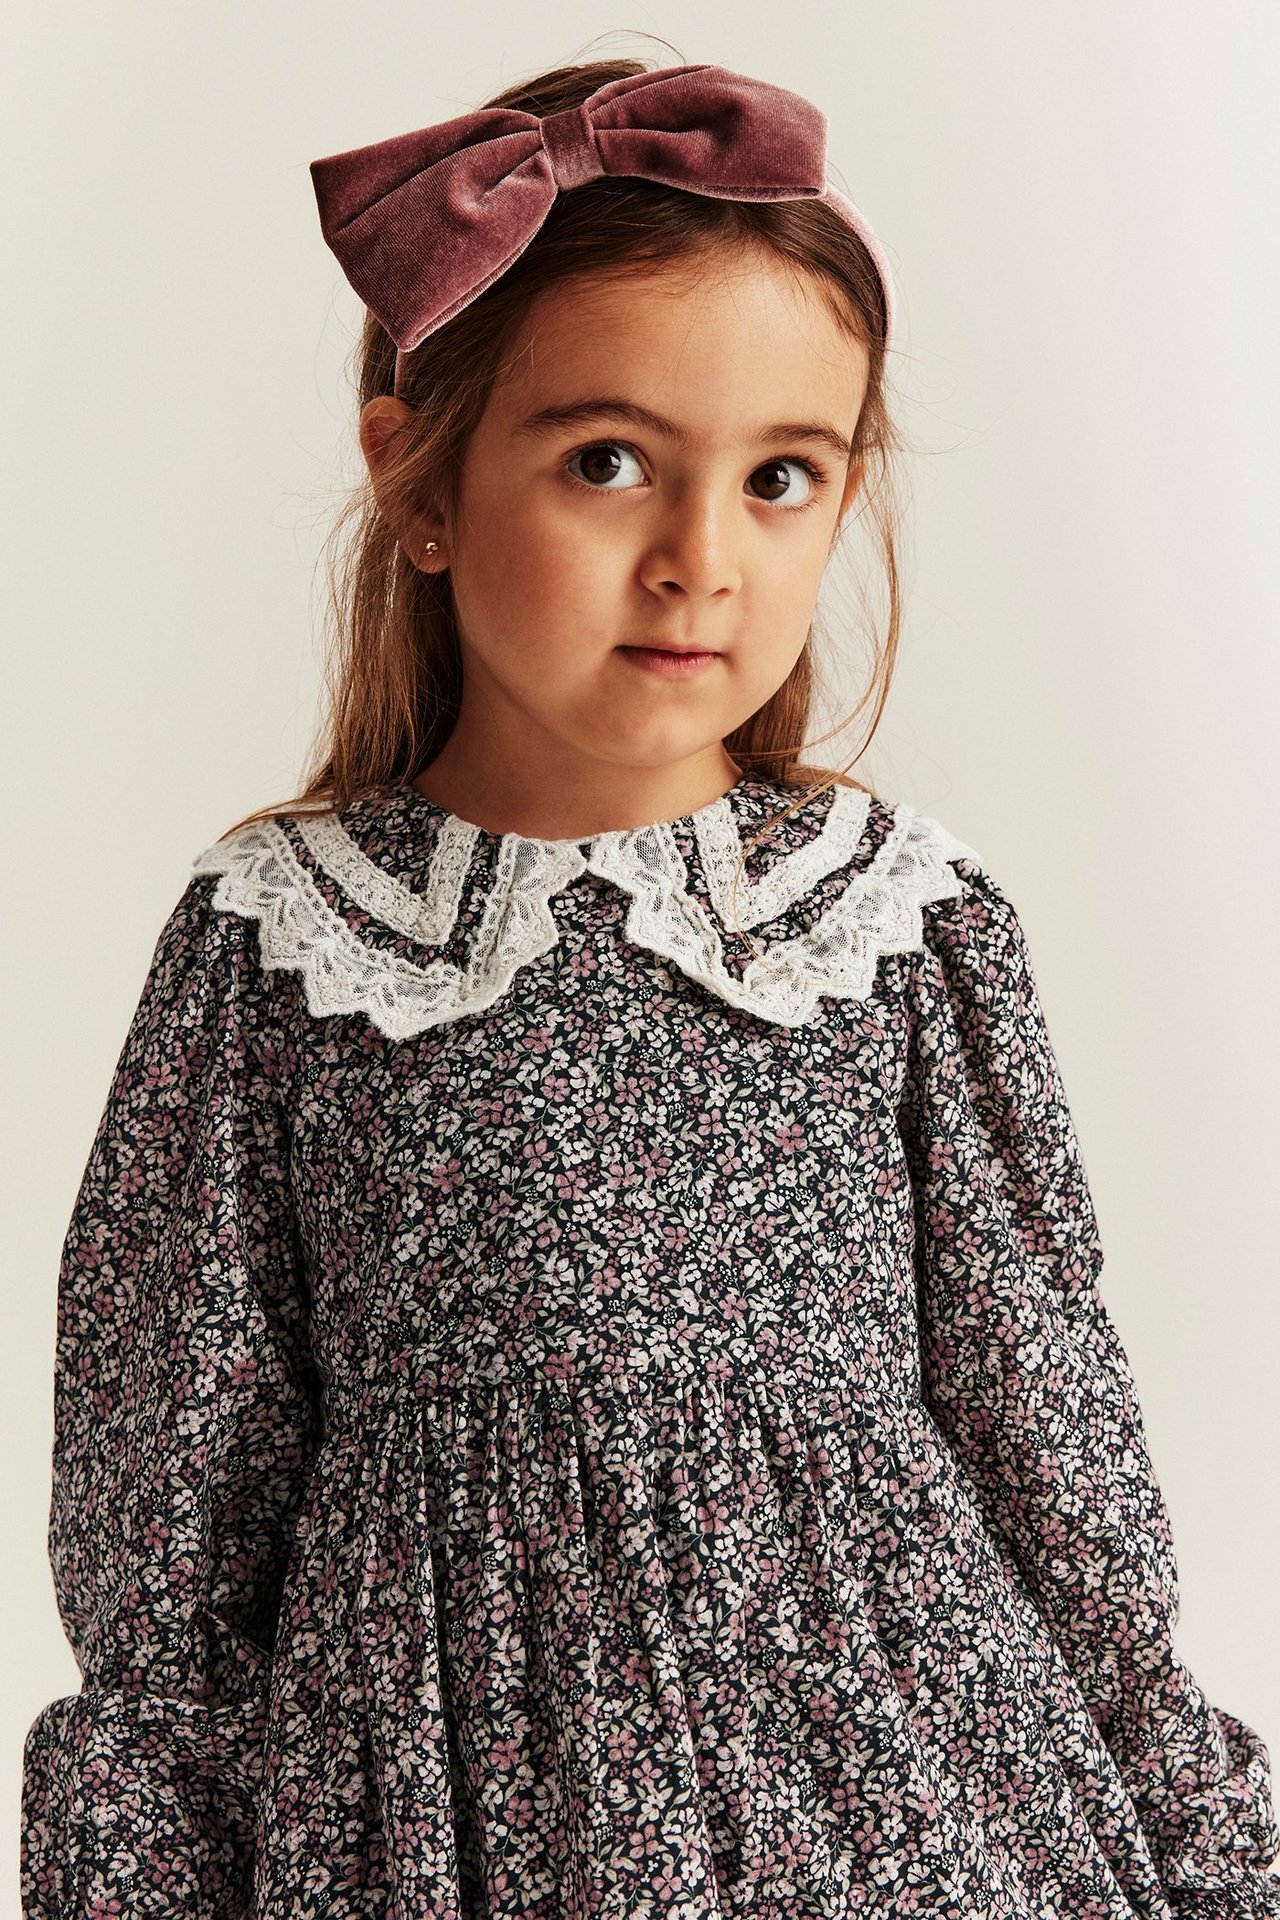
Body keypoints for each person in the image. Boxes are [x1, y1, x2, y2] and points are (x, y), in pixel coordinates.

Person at [18, 51, 1280, 1920]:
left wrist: (1202, 1844)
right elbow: (172, 1516)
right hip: (452, 1832)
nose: (701, 560)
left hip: (921, 1822)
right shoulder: (283, 943)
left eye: (781, 479)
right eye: (607, 461)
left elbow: (1052, 1433)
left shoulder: (898, 923)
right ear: (419, 482)